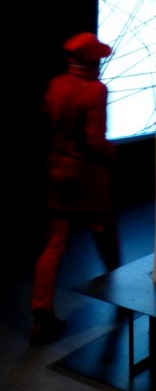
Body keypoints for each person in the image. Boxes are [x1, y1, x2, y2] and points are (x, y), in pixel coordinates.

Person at [30, 32, 120, 345]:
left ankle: (41, 314)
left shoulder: (57, 84)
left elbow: (45, 120)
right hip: (87, 177)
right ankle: (122, 296)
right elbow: (94, 140)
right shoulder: (95, 90)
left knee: (53, 245)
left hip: (57, 173)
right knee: (105, 234)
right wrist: (113, 154)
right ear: (91, 62)